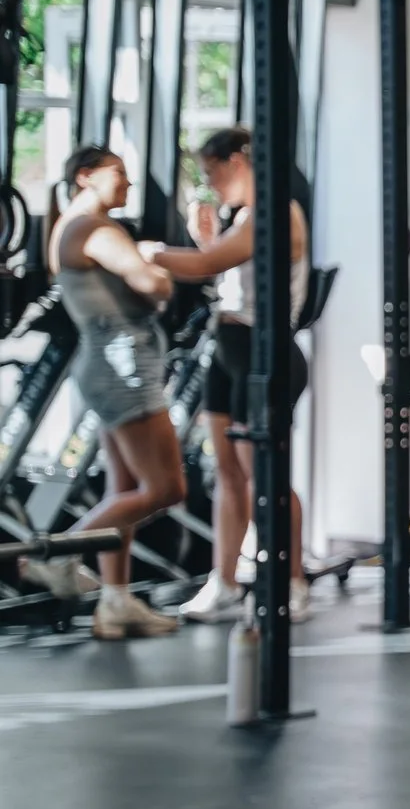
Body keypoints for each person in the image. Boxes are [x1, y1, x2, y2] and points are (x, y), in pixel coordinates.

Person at [19, 147, 187, 638]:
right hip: (123, 365)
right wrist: (155, 259)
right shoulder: (93, 229)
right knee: (166, 489)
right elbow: (151, 280)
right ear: (85, 177)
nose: (129, 185)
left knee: (123, 492)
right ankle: (58, 553)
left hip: (107, 362)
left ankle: (115, 601)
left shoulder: (68, 227)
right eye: (120, 174)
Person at [147, 126, 312, 623]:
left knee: (267, 476)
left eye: (212, 173)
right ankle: (224, 582)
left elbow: (208, 264)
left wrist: (147, 252)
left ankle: (294, 580)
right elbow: (225, 266)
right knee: (228, 475)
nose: (210, 185)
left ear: (238, 162)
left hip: (266, 349)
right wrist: (205, 241)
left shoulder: (277, 212)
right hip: (230, 345)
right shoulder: (241, 216)